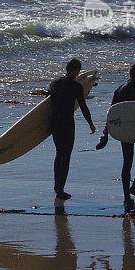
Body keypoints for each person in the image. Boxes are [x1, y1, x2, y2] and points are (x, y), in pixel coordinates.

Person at [97, 63, 135, 205]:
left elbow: (112, 112)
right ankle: (134, 187)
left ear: (129, 74)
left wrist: (107, 129)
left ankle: (126, 197)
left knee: (127, 163)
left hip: (124, 131)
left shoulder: (119, 90)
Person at [48, 58, 96, 200]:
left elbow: (47, 102)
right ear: (76, 71)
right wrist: (90, 123)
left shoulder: (54, 84)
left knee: (59, 154)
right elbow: (83, 106)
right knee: (66, 156)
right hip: (67, 123)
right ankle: (61, 189)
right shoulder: (76, 87)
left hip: (54, 122)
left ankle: (57, 186)